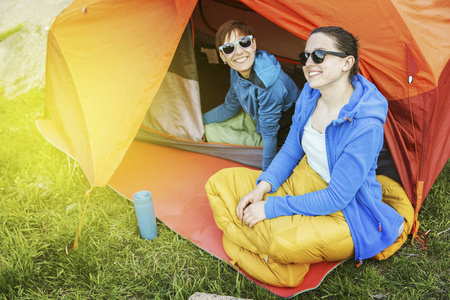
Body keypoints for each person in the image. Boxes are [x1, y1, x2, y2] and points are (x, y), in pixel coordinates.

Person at [205, 26, 414, 287]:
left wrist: (269, 208)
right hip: (304, 180)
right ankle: (260, 248)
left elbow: (337, 197)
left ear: (346, 63)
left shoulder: (364, 125)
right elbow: (292, 148)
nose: (309, 63)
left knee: (279, 242)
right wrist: (263, 186)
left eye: (319, 55)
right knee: (218, 183)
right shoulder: (310, 93)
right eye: (306, 57)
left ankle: (254, 246)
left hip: (345, 213)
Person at [202, 20, 300, 171]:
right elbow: (229, 108)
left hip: (278, 138)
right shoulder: (236, 71)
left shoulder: (270, 84)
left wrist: (267, 176)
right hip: (257, 120)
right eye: (229, 48)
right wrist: (196, 121)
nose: (239, 51)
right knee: (203, 126)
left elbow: (269, 134)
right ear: (222, 56)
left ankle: (252, 141)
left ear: (253, 44)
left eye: (244, 42)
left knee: (210, 131)